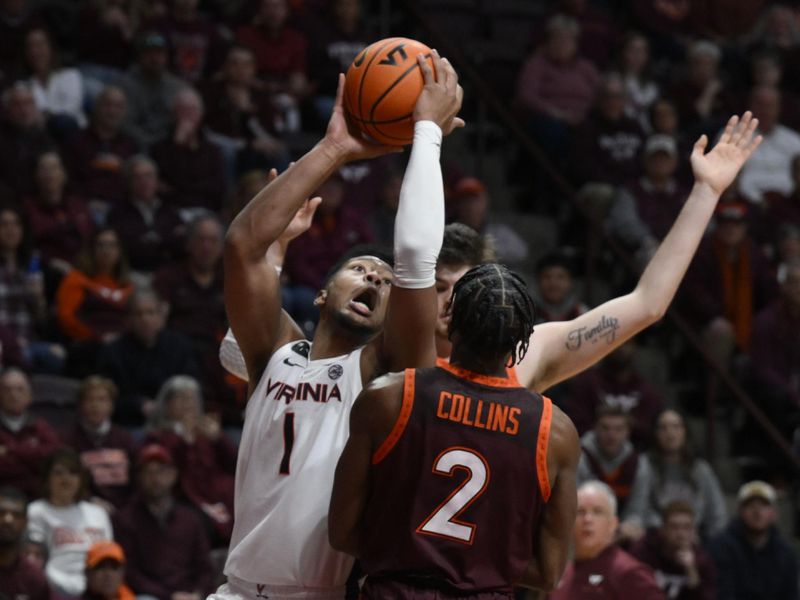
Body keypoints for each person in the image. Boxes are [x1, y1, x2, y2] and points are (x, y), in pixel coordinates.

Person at [214, 52, 462, 600]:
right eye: (359, 269)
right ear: (322, 292)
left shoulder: (382, 371)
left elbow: (417, 257)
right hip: (233, 589)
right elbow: (241, 247)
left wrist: (427, 138)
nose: (374, 279)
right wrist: (335, 149)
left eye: (384, 280)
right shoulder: (272, 353)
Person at [329, 263, 581, 595]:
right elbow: (549, 574)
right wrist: (480, 564)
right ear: (521, 339)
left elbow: (342, 533)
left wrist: (412, 554)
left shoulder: (389, 397)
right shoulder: (556, 432)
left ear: (452, 322)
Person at [144, 375, 236, 545]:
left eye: (192, 398)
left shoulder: (208, 434)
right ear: (166, 404)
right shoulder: (157, 437)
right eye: (181, 398)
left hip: (222, 496)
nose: (188, 404)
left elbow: (235, 465)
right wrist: (184, 442)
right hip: (186, 498)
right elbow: (170, 472)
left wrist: (219, 439)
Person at [113, 444, 213, 600]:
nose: (155, 478)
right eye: (148, 472)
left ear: (173, 475)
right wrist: (169, 596)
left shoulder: (190, 519)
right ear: (139, 477)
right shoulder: (125, 519)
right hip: (150, 595)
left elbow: (205, 567)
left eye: (161, 471)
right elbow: (130, 572)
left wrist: (198, 594)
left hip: (191, 594)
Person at [96, 287, 200, 428]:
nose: (145, 319)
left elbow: (190, 384)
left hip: (175, 421)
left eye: (150, 313)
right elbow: (109, 396)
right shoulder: (114, 352)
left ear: (161, 317)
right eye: (138, 314)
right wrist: (139, 405)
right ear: (128, 320)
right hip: (132, 423)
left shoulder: (179, 346)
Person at [548, 481, 665, 599]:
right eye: (580, 511)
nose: (587, 519)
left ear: (613, 524)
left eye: (597, 511)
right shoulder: (561, 574)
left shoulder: (628, 572)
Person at [27, 448, 114, 598]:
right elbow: (36, 562)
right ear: (47, 479)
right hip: (53, 590)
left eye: (73, 472)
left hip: (97, 591)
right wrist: (70, 588)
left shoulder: (97, 513)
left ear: (81, 479)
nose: (66, 479)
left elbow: (110, 558)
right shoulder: (36, 511)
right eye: (58, 473)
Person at [639, 409, 728, 540]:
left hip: (697, 540)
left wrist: (713, 545)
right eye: (663, 428)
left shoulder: (701, 469)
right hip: (657, 538)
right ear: (655, 433)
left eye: (676, 427)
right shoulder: (645, 465)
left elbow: (717, 514)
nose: (670, 433)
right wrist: (669, 531)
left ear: (685, 431)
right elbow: (640, 509)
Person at [55, 227, 134, 374]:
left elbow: (133, 319)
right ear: (91, 249)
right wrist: (97, 337)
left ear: (120, 251)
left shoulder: (128, 286)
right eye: (101, 245)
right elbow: (66, 318)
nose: (106, 250)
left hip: (123, 344)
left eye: (112, 245)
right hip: (88, 344)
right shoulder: (76, 279)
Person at [708, 480, 798, 600]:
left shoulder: (786, 553)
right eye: (750, 505)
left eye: (764, 505)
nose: (757, 511)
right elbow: (723, 593)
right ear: (740, 511)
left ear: (773, 513)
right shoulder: (721, 548)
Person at [576, 404, 649, 543]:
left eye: (618, 429)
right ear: (595, 428)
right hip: (584, 527)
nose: (611, 435)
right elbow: (573, 506)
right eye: (605, 428)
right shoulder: (579, 457)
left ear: (628, 432)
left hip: (621, 534)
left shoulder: (638, 464)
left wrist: (625, 528)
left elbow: (637, 511)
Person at [62, 376, 135, 510]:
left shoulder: (124, 439)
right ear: (81, 405)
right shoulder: (68, 441)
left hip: (126, 510)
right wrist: (90, 500)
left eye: (102, 399)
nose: (95, 405)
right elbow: (66, 481)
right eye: (90, 399)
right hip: (85, 508)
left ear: (111, 405)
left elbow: (136, 479)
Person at [630, 501, 717, 600]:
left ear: (694, 531)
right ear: (663, 530)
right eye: (674, 527)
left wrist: (691, 571)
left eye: (686, 527)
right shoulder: (644, 552)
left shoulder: (703, 561)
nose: (680, 534)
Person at [0, 368, 60, 498]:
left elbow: (51, 458)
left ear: (30, 396)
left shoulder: (41, 427)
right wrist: (31, 458)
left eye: (20, 389)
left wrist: (10, 450)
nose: (13, 394)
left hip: (37, 497)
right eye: (7, 389)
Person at [0, 486, 51, 600]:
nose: (8, 520)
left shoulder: (34, 578)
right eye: (1, 512)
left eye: (16, 515)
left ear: (25, 523)